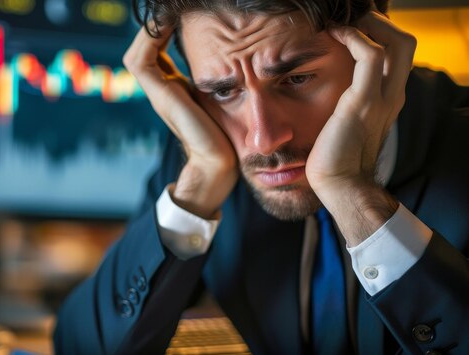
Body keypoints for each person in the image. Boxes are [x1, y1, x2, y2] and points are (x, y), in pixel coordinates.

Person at [54, 0, 469, 353]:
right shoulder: (211, 152)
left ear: (378, 54)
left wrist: (354, 196)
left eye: (297, 78)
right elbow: (77, 346)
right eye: (223, 90)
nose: (263, 139)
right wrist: (199, 184)